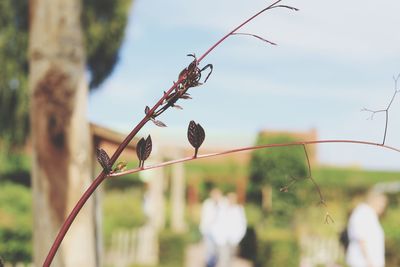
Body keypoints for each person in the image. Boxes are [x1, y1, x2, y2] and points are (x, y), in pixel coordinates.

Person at [346, 190, 388, 267]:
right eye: (382, 203)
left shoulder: (371, 215)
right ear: (375, 200)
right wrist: (369, 262)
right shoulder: (363, 213)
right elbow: (361, 239)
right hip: (363, 262)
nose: (383, 207)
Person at [211, 192, 247, 267]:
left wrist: (238, 237)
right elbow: (215, 223)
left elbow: (242, 225)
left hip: (234, 239)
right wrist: (216, 236)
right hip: (222, 239)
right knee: (223, 259)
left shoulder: (239, 210)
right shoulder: (221, 209)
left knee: (230, 259)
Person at [200, 188, 224, 267]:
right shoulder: (207, 204)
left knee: (218, 252)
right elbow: (205, 218)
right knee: (209, 251)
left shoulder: (223, 204)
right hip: (208, 231)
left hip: (220, 233)